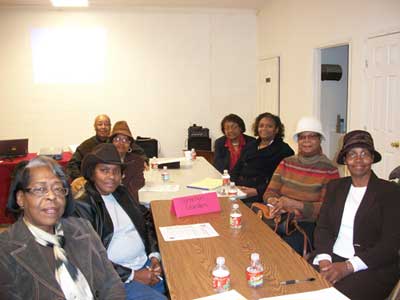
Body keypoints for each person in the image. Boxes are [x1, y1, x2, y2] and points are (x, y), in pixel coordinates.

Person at [0, 156, 125, 300]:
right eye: (40, 189)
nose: (52, 196)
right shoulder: (5, 250)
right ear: (21, 198)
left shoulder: (82, 228)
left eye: (58, 189)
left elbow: (111, 283)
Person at [312, 130, 400, 300]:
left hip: (371, 266)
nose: (358, 160)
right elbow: (323, 227)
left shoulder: (391, 192)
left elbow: (390, 245)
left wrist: (348, 266)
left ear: (372, 158)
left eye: (364, 154)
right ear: (345, 160)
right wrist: (324, 259)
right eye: (352, 154)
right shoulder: (335, 186)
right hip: (331, 257)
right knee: (297, 286)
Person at [74, 143, 167, 300]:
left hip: (145, 265)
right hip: (116, 278)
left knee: (187, 283)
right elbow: (89, 257)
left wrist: (154, 256)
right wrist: (132, 275)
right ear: (92, 173)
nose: (111, 176)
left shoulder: (121, 193)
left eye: (116, 171)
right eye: (104, 170)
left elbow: (145, 223)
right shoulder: (82, 206)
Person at [263, 116, 339, 255]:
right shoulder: (286, 163)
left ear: (320, 139)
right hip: (280, 218)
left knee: (282, 251)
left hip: (308, 225)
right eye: (302, 137)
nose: (307, 141)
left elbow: (325, 210)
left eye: (312, 137)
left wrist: (294, 205)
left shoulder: (329, 169)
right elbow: (269, 192)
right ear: (298, 140)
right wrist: (274, 202)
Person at [231, 112, 294, 206]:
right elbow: (237, 168)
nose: (264, 129)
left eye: (269, 126)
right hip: (239, 190)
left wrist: (257, 191)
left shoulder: (284, 150)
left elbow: (281, 181)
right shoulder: (250, 145)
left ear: (276, 130)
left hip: (261, 194)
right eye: (261, 126)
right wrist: (233, 185)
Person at [66, 114, 111, 180]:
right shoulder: (86, 145)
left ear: (110, 127)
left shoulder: (114, 144)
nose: (103, 127)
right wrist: (81, 179)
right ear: (95, 127)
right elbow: (72, 165)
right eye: (100, 124)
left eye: (106, 124)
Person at [111, 121, 147, 201]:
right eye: (117, 139)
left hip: (129, 204)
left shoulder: (137, 161)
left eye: (125, 140)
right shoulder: (103, 161)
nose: (121, 143)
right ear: (111, 142)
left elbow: (138, 183)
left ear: (129, 144)